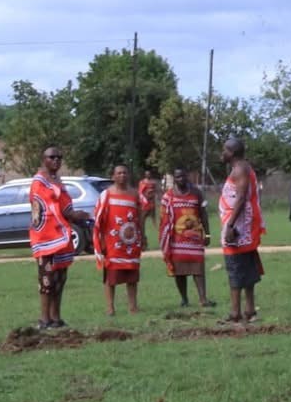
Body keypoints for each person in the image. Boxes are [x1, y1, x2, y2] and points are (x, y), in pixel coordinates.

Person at [27, 146, 87, 331]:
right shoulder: (39, 182)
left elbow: (65, 207)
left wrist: (77, 215)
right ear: (43, 159)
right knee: (46, 280)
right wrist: (67, 215)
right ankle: (44, 320)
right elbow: (47, 208)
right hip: (46, 238)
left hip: (61, 237)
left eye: (60, 157)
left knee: (60, 279)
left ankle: (56, 318)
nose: (56, 160)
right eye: (52, 157)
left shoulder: (58, 181)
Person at [218, 137, 265, 325]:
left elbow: (241, 198)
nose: (222, 154)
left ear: (232, 153)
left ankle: (236, 313)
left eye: (225, 150)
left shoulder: (240, 169)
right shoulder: (242, 168)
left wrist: (230, 226)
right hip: (241, 224)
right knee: (245, 266)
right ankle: (250, 311)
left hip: (239, 227)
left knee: (235, 267)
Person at [93, 164, 146, 316]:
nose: (122, 175)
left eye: (125, 173)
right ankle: (110, 308)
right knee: (111, 277)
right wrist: (100, 241)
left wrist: (142, 236)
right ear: (113, 176)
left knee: (132, 276)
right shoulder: (106, 195)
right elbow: (99, 219)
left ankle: (133, 307)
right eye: (119, 173)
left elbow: (139, 217)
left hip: (131, 243)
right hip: (112, 243)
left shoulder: (134, 194)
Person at [159, 166, 212, 307]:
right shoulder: (168, 196)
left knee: (198, 269)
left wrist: (207, 233)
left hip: (195, 239)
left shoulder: (197, 193)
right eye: (178, 177)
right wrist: (166, 240)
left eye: (183, 176)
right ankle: (184, 299)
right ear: (174, 179)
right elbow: (163, 219)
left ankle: (203, 299)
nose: (181, 179)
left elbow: (204, 214)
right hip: (176, 241)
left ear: (187, 176)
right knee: (179, 272)